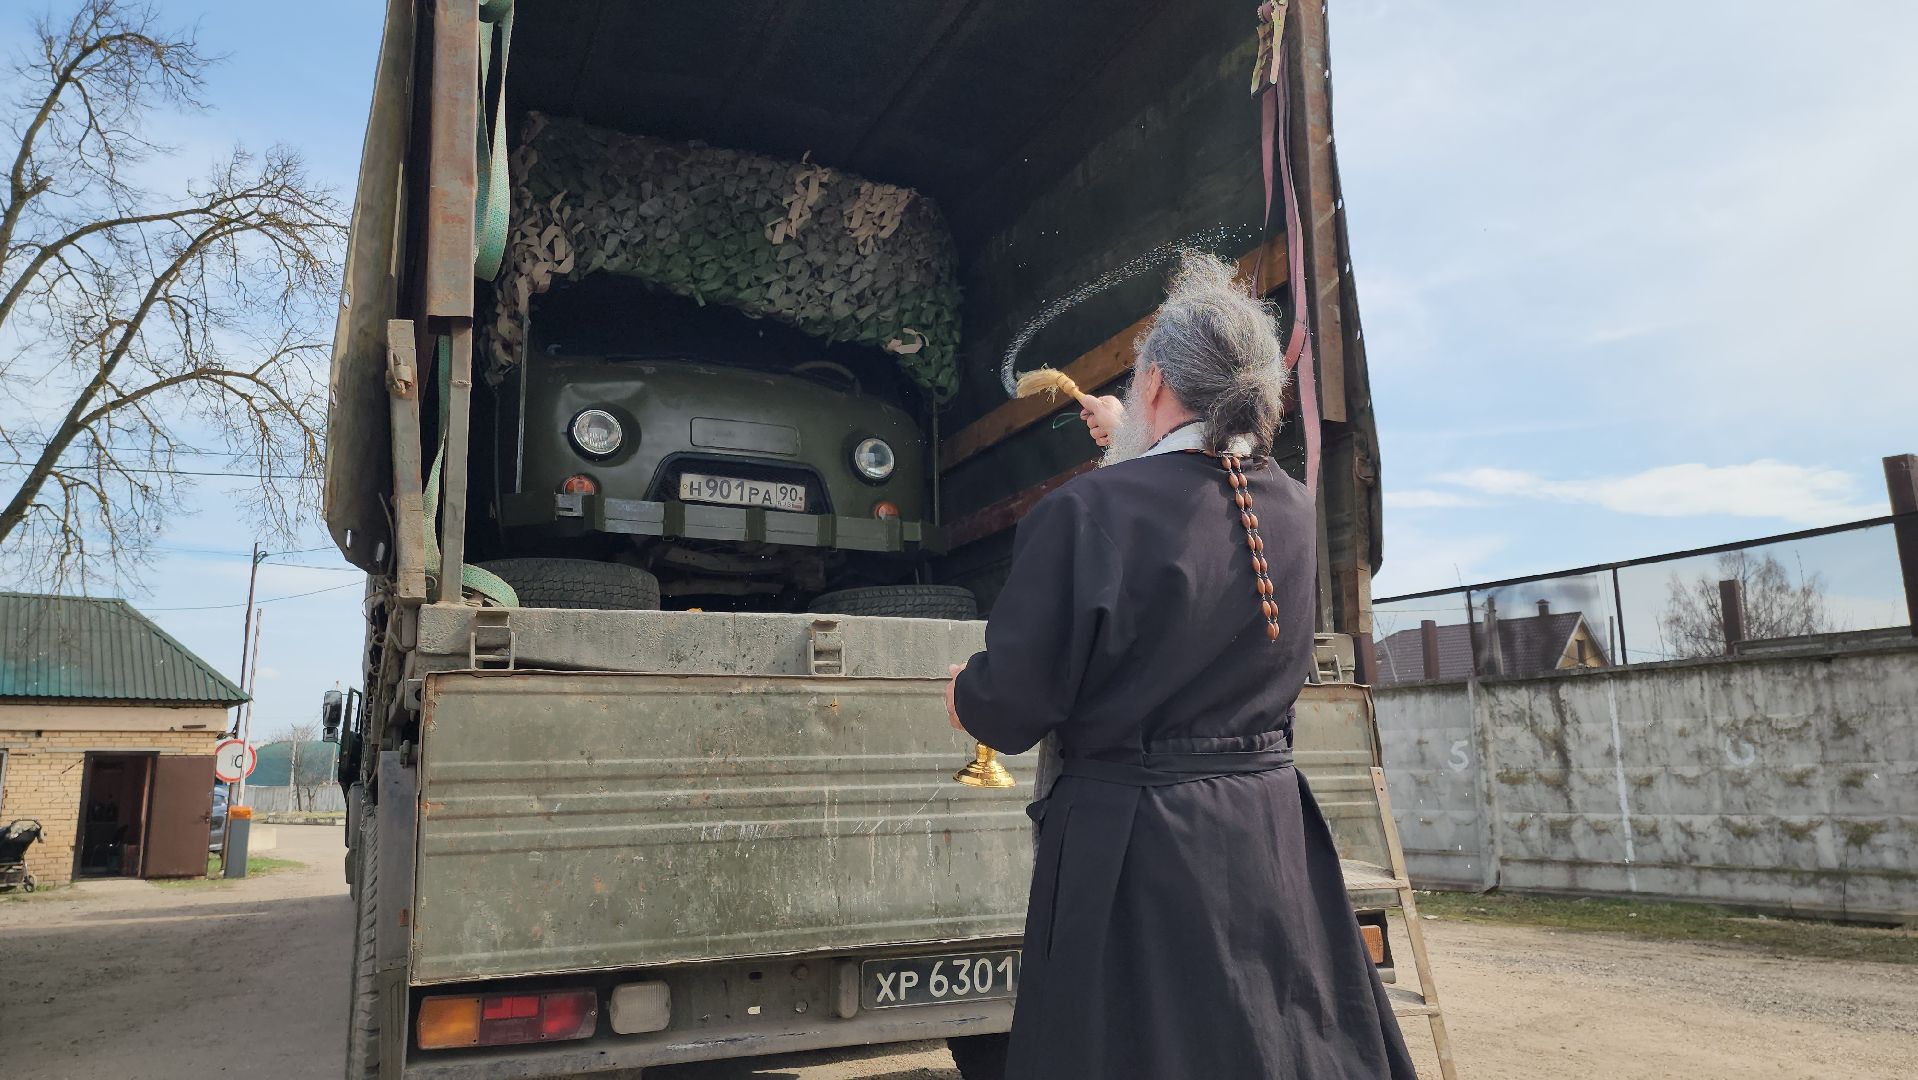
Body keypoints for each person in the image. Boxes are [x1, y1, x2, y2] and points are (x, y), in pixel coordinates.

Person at [944, 252, 1418, 1079]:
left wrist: (966, 695)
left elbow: (1013, 707)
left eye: (1136, 390)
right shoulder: (1295, 509)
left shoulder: (1084, 512)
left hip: (1136, 851)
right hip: (1269, 833)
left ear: (1156, 384)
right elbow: (1190, 504)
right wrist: (1131, 437)